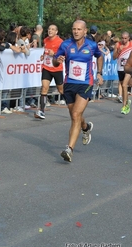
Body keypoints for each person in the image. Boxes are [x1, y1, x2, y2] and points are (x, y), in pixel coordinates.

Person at [53, 20, 103, 162]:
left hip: (85, 84)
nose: (76, 31)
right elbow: (54, 60)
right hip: (69, 84)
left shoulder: (92, 45)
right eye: (74, 29)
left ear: (85, 31)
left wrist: (99, 72)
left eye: (79, 29)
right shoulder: (66, 44)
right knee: (75, 115)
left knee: (75, 114)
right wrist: (58, 60)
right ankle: (86, 127)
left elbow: (100, 56)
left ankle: (69, 149)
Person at [35, 24, 64, 119]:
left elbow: (64, 55)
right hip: (46, 68)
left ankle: (73, 104)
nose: (50, 31)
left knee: (61, 90)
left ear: (56, 32)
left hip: (56, 69)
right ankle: (42, 111)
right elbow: (46, 50)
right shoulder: (46, 40)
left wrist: (54, 54)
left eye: (52, 29)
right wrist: (43, 56)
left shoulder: (60, 42)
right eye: (49, 29)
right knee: (44, 88)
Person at [113, 31, 132, 114]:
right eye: (122, 38)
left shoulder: (131, 44)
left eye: (125, 38)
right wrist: (118, 51)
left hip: (129, 68)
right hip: (120, 68)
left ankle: (124, 106)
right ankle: (127, 102)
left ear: (128, 38)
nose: (123, 40)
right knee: (124, 86)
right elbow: (113, 57)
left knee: (125, 85)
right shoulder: (118, 45)